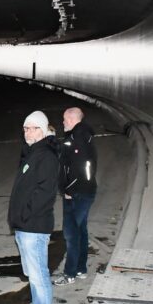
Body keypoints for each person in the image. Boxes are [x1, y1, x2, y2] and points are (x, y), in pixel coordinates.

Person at [8, 111, 59, 304]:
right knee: (33, 275)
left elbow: (44, 194)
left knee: (39, 277)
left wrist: (23, 215)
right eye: (25, 128)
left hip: (33, 227)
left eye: (32, 128)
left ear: (42, 130)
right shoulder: (33, 152)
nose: (28, 132)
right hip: (24, 226)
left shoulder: (46, 155)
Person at [55, 107, 98, 285]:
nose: (63, 122)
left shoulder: (77, 138)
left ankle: (69, 273)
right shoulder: (80, 136)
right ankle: (81, 269)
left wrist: (69, 191)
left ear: (72, 119)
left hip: (78, 193)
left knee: (71, 233)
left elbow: (79, 168)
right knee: (81, 230)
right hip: (84, 191)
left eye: (65, 119)